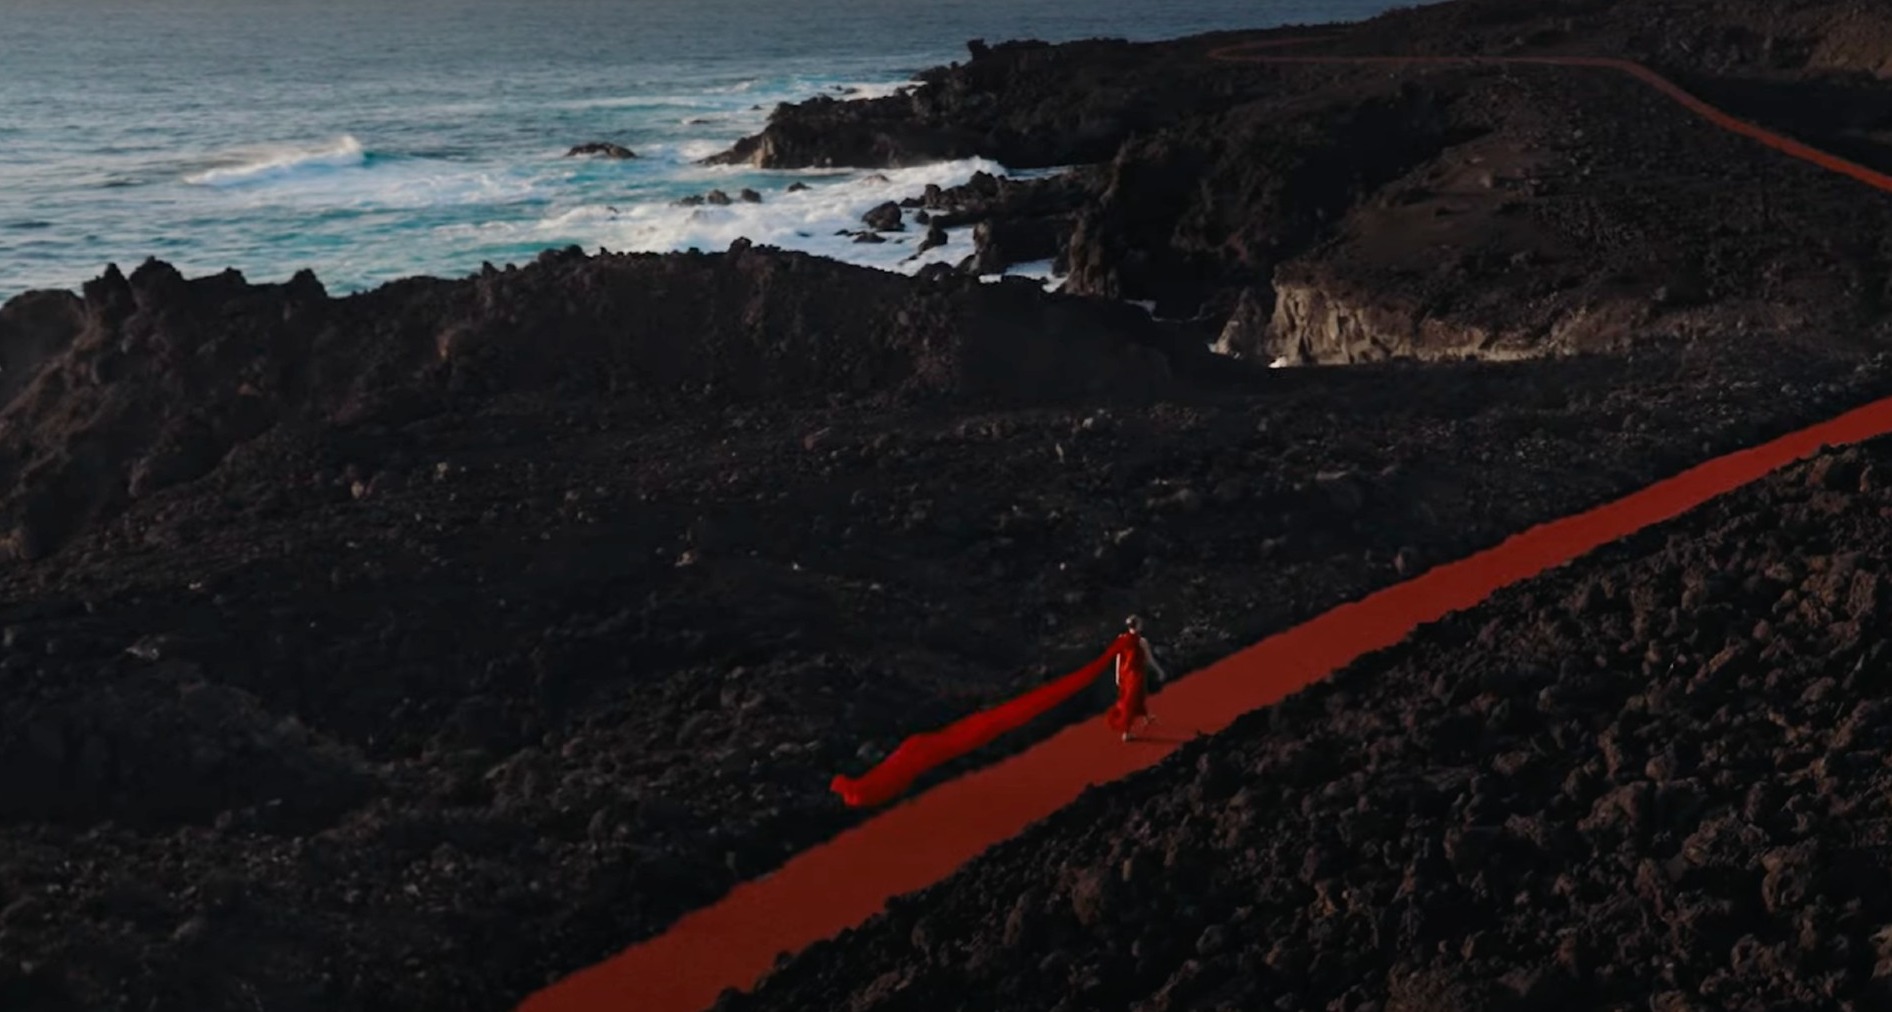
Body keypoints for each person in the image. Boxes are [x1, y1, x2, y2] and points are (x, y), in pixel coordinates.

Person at [1107, 614, 1166, 742]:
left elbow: (1119, 657)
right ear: (1137, 625)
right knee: (1131, 701)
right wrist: (1159, 671)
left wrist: (1117, 675)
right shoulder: (1141, 641)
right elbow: (1149, 659)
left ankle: (1147, 716)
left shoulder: (1121, 638)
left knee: (1135, 696)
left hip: (1125, 674)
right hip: (1136, 674)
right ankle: (1126, 732)